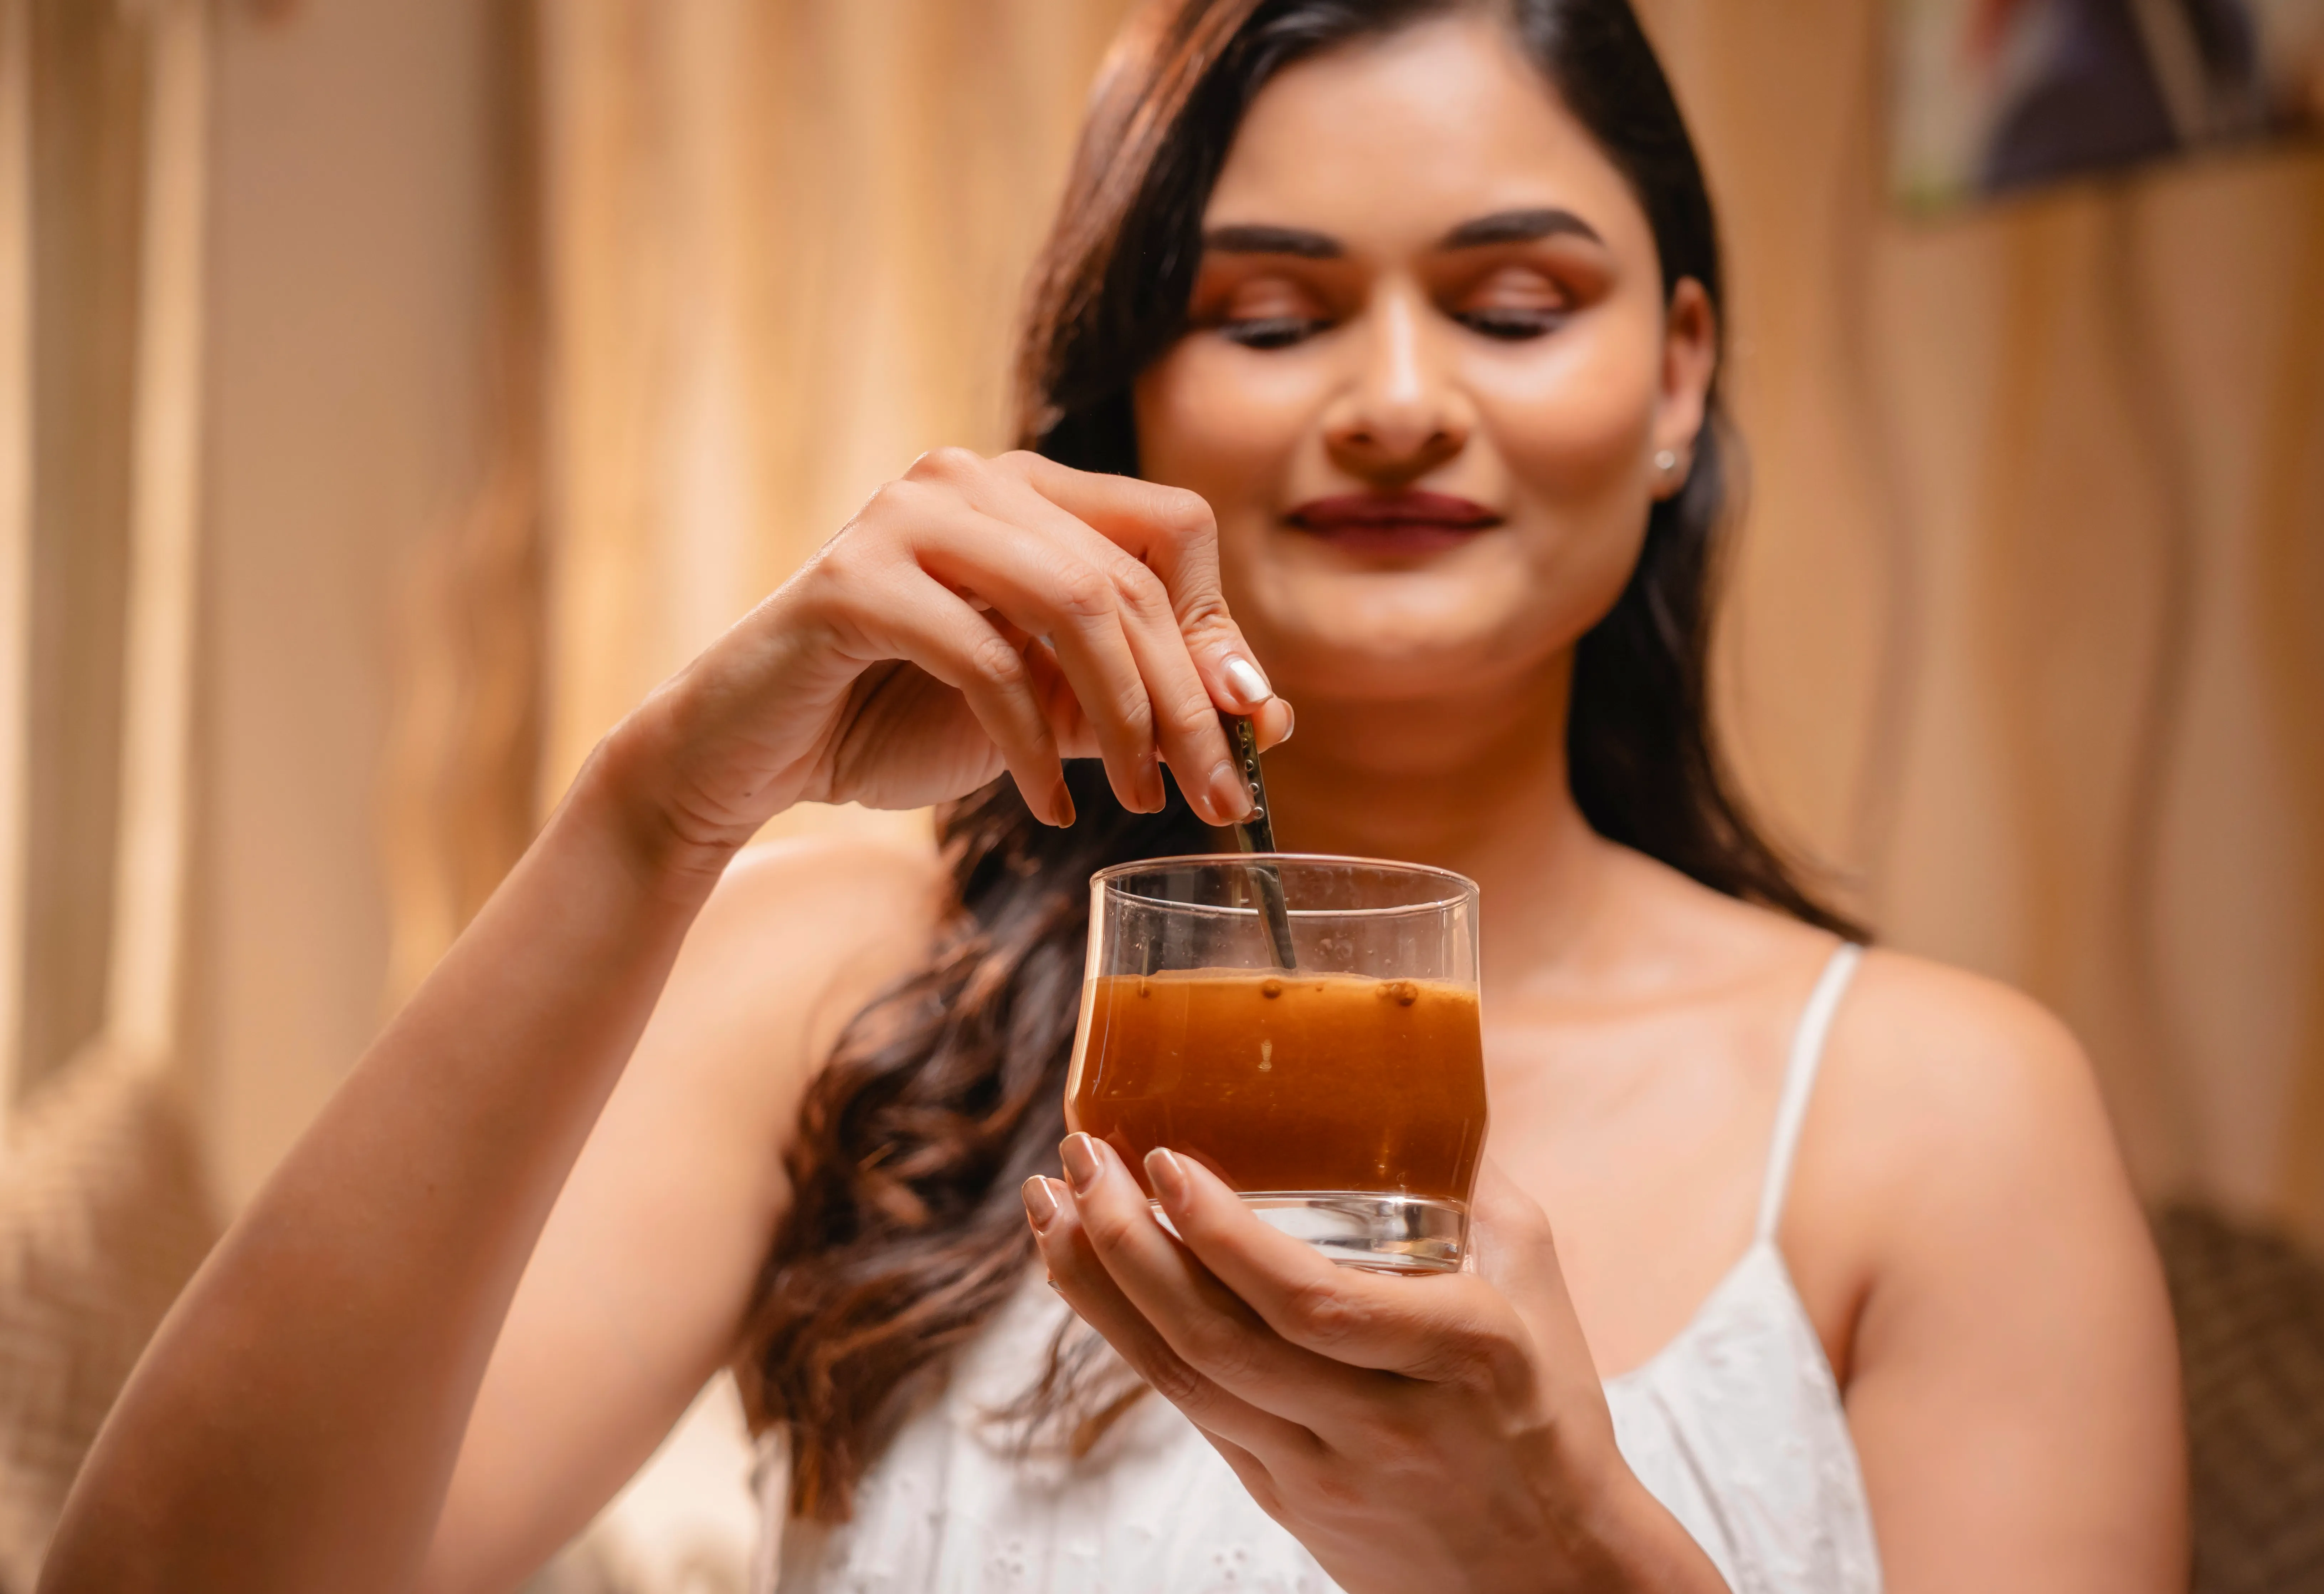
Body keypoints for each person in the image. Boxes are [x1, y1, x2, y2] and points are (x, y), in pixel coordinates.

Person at [39, 2, 2188, 1590]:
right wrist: (657, 811)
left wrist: (1555, 1541)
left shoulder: (1947, 1110)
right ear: (1133, 397)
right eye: (1269, 315)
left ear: (1677, 376)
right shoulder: (840, 981)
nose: (1400, 402)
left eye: (1517, 302)